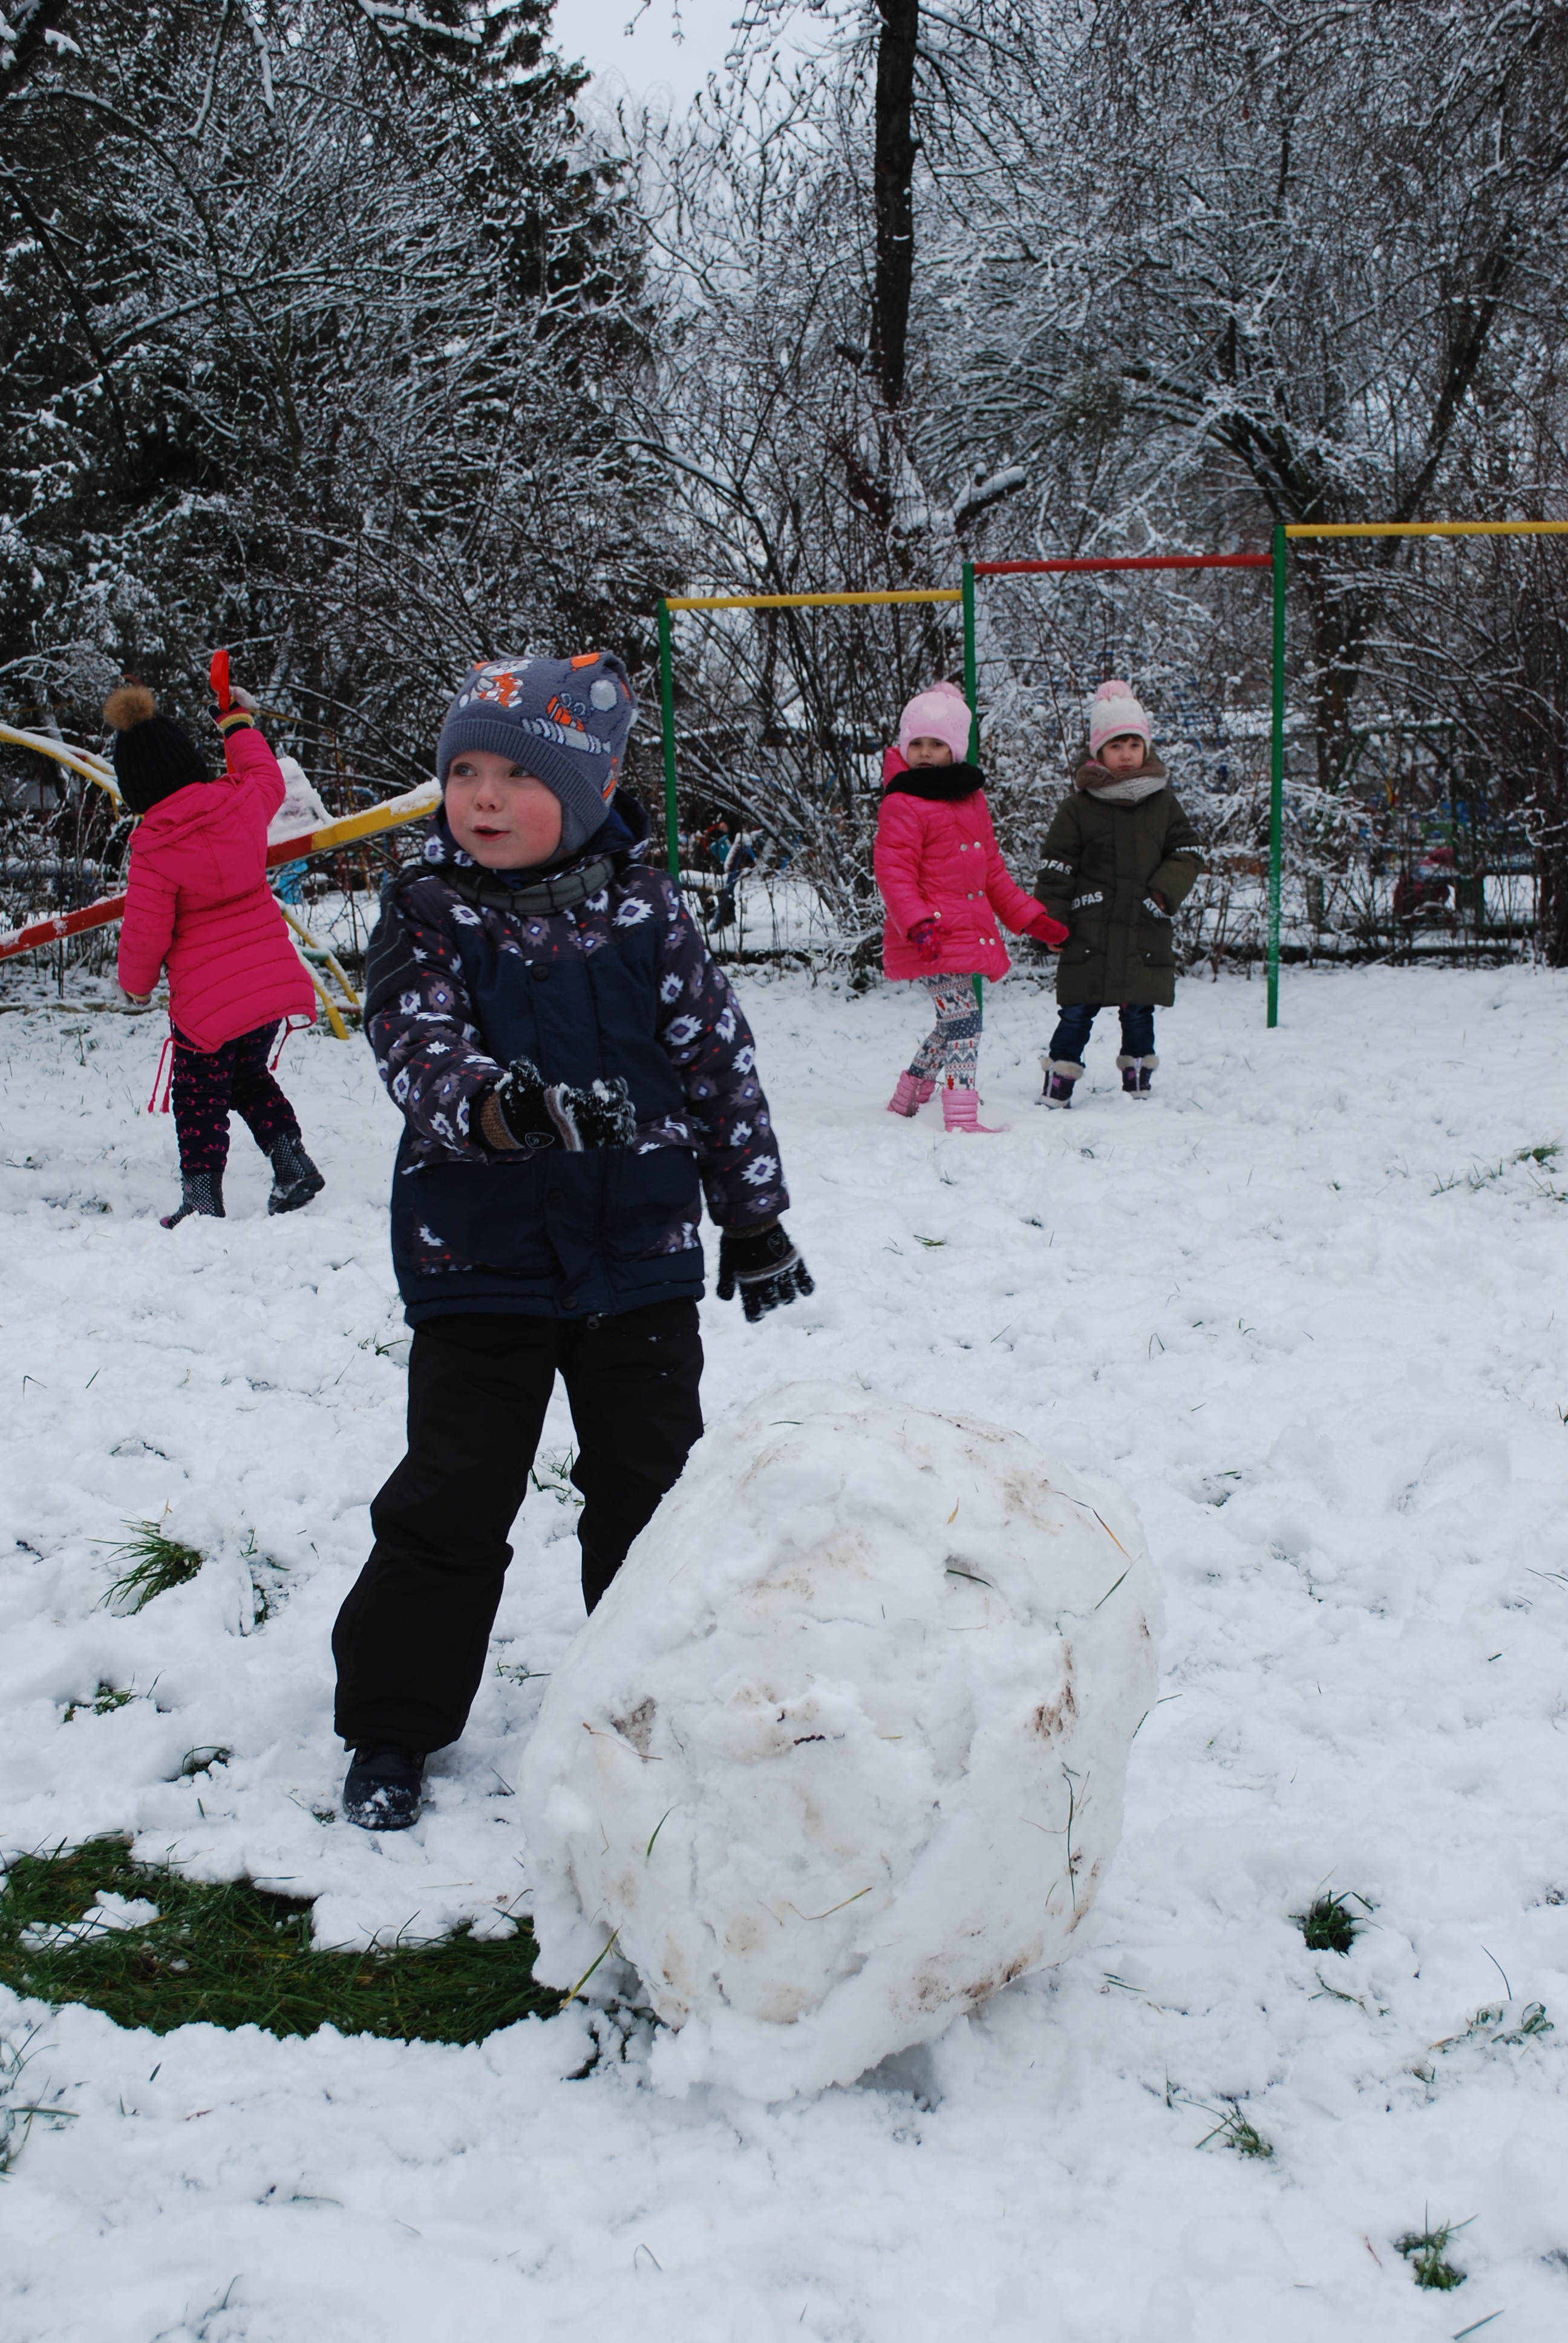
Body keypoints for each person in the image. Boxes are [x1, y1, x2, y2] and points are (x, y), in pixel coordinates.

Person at [335, 650, 812, 1830]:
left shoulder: (651, 917)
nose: (483, 798)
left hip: (639, 1262)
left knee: (650, 1503)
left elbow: (718, 1069)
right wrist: (506, 1109)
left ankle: (648, 1708)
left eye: (515, 774)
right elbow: (418, 1050)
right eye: (464, 773)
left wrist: (752, 1218)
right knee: (452, 1496)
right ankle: (393, 1725)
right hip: (477, 1267)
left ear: (587, 792)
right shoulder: (425, 912)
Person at [108, 681, 324, 1225]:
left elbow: (145, 930)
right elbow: (265, 776)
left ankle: (202, 1199)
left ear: (135, 791)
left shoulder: (154, 848)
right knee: (249, 1078)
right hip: (270, 988)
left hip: (207, 1010)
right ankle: (292, 1162)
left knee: (199, 1099)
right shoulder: (239, 803)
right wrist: (236, 726)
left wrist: (136, 983)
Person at [874, 680, 1066, 1133]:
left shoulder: (970, 800)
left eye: (936, 744)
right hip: (928, 937)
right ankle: (961, 1114)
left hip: (964, 931)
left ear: (954, 750)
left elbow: (992, 874)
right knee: (965, 1020)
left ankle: (910, 1093)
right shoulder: (904, 802)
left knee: (954, 1019)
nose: (924, 752)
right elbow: (894, 871)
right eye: (915, 743)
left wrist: (1032, 919)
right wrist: (917, 922)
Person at [1033, 680, 1203, 1106]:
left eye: (1133, 743)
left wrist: (1164, 892)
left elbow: (1188, 850)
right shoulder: (1078, 808)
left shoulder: (1163, 803)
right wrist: (1052, 920)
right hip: (1089, 931)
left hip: (1143, 925)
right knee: (1076, 1011)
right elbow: (1057, 867)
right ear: (1098, 753)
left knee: (1139, 1010)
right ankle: (1059, 1082)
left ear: (1145, 747)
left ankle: (1139, 1077)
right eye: (1115, 745)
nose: (1126, 754)